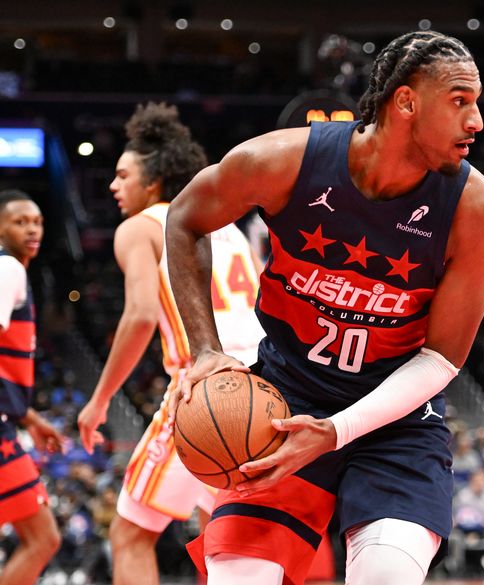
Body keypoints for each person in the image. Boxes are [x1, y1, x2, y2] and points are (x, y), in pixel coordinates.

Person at [165, 30, 484, 585]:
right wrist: (204, 348)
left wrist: (335, 430)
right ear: (406, 102)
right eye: (460, 101)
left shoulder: (475, 206)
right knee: (237, 576)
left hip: (395, 421)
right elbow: (184, 219)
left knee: (386, 575)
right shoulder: (283, 161)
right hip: (284, 401)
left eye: (477, 102)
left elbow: (442, 359)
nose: (477, 121)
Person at [76, 103, 265, 585]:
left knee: (130, 533)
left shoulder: (140, 227)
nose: (113, 186)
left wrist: (99, 400)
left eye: (123, 176)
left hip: (204, 387)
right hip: (265, 387)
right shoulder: (225, 227)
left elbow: (140, 315)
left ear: (153, 181)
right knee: (219, 541)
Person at [0, 189, 64, 585]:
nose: (31, 229)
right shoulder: (9, 269)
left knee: (41, 538)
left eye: (37, 222)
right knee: (43, 538)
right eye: (20, 222)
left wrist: (28, 417)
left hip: (9, 420)